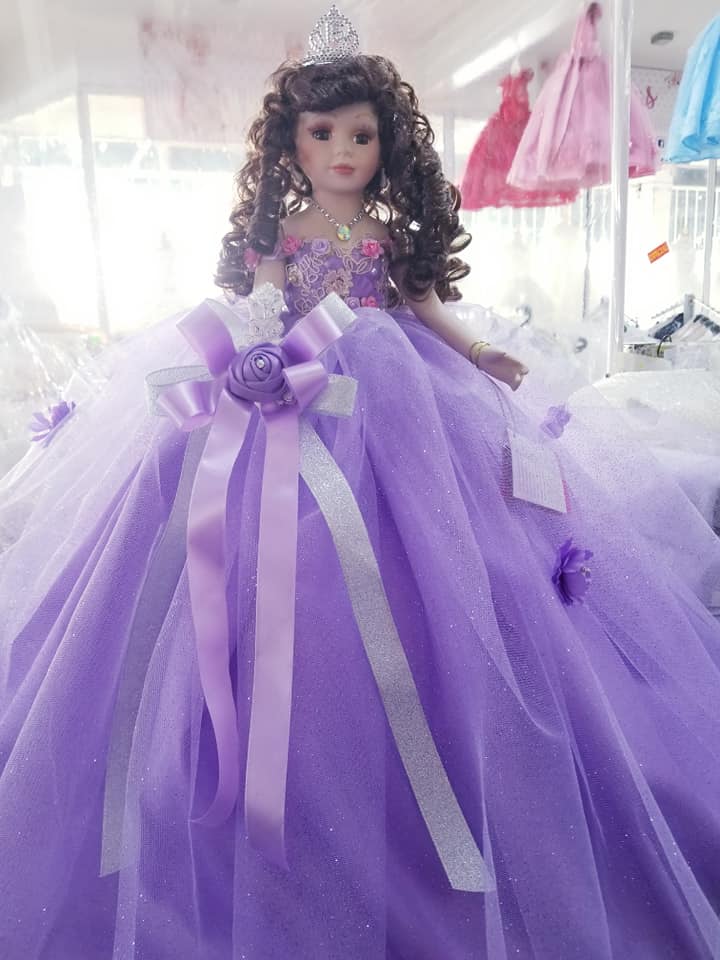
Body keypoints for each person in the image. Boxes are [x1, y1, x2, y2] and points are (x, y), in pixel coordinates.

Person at [1, 7, 719, 959]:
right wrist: (254, 351)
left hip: (397, 407)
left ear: (388, 144)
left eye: (361, 135)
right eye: (324, 133)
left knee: (447, 576)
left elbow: (427, 307)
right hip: (292, 392)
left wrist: (481, 354)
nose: (343, 151)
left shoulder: (385, 233)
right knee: (238, 561)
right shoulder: (281, 230)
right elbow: (260, 301)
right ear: (291, 144)